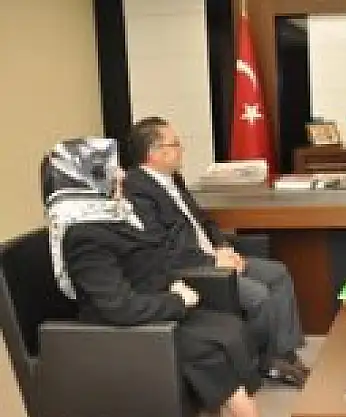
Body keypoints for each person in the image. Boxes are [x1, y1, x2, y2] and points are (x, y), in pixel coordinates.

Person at [44, 137, 261, 417]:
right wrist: (176, 300)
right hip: (128, 333)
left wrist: (171, 284)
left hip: (152, 313)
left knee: (230, 326)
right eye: (110, 169)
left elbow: (146, 264)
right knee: (213, 348)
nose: (122, 174)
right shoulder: (84, 236)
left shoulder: (112, 218)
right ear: (84, 180)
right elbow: (118, 307)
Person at [123, 117, 308, 386]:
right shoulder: (136, 190)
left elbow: (203, 221)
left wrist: (223, 247)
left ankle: (283, 354)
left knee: (277, 273)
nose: (181, 149)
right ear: (154, 153)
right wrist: (213, 260)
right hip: (188, 269)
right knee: (258, 295)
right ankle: (260, 363)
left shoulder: (172, 179)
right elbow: (163, 248)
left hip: (214, 257)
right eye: (175, 144)